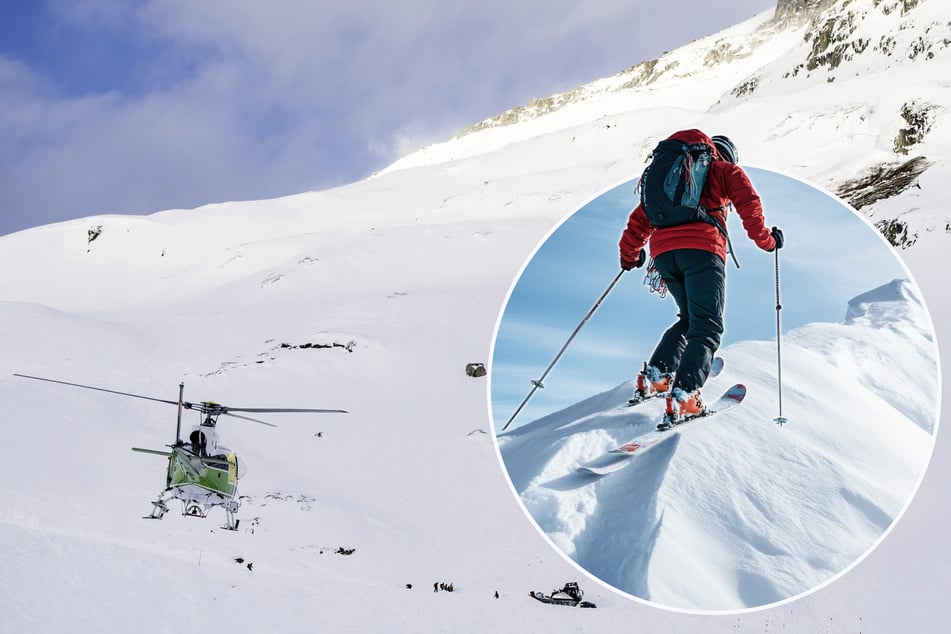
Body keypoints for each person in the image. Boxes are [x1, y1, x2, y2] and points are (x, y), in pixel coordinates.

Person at [619, 129, 784, 427]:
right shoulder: (724, 170)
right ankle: (685, 395)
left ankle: (656, 377)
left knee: (689, 318)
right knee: (707, 324)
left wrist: (630, 255)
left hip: (663, 254)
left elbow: (640, 216)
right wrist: (768, 241)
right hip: (702, 250)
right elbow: (749, 204)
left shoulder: (672, 175)